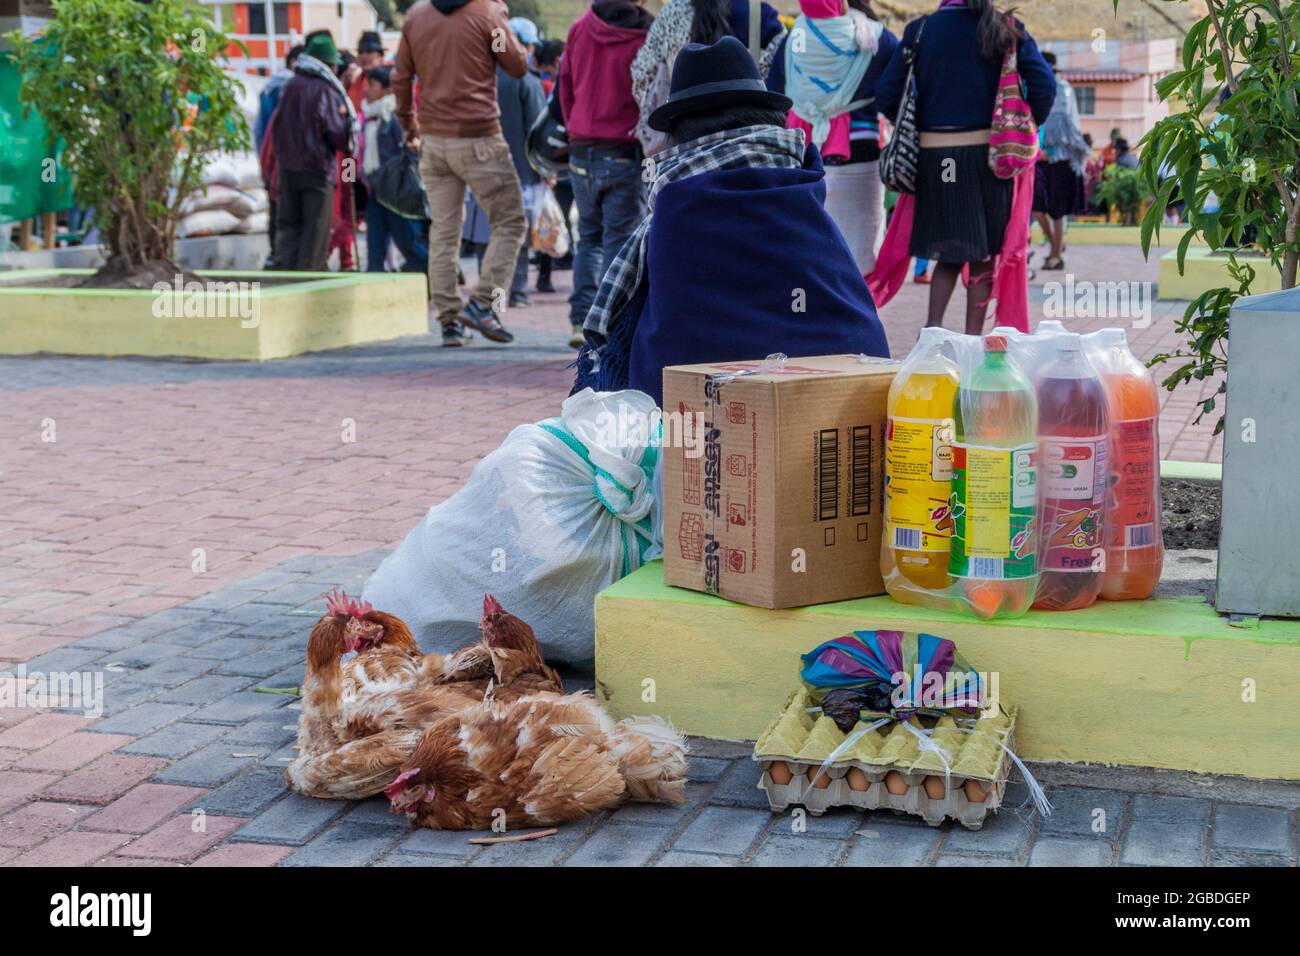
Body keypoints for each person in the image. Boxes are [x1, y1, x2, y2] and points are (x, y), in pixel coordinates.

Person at [572, 36, 889, 404]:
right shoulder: (799, 184)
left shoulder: (676, 207)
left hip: (693, 422)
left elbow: (661, 342)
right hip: (850, 400)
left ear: (680, 131)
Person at [875, 0, 1054, 334]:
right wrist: (1022, 125)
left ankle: (932, 332)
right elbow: (1045, 86)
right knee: (983, 254)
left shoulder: (921, 30)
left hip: (936, 160)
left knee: (948, 251)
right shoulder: (1006, 27)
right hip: (989, 160)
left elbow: (886, 94)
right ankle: (973, 342)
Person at [393, 0, 530, 347]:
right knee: (511, 222)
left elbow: (400, 76)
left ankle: (450, 322)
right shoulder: (487, 11)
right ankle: (484, 303)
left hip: (435, 141)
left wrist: (409, 124)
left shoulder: (416, 15)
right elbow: (517, 66)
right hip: (479, 138)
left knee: (444, 231)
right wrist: (500, 20)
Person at [767, 0, 897, 275]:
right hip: (860, 149)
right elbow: (894, 89)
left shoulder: (793, 38)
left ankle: (814, 312)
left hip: (802, 155)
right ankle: (859, 312)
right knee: (860, 250)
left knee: (810, 247)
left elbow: (774, 93)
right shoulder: (874, 37)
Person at [559, 0, 655, 348]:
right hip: (622, 151)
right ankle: (605, 323)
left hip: (582, 148)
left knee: (589, 237)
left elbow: (565, 88)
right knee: (618, 238)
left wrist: (575, 129)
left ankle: (580, 318)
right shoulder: (645, 33)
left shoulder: (580, 27)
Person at [271, 32, 356, 272]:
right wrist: (347, 127)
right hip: (317, 171)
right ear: (329, 65)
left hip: (288, 168)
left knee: (289, 226)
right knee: (315, 229)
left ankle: (285, 275)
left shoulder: (289, 86)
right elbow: (337, 135)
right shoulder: (325, 91)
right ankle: (309, 280)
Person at [632, 0, 786, 122]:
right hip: (748, 133)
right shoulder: (761, 16)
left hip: (684, 133)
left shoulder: (671, 14)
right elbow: (783, 77)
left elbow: (642, 75)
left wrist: (666, 114)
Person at [360, 66, 430, 275]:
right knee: (375, 247)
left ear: (387, 89)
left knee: (408, 243)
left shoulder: (396, 116)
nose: (366, 90)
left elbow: (410, 153)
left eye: (371, 85)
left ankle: (441, 275)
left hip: (397, 194)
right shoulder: (368, 117)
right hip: (376, 191)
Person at [499, 17, 548, 308]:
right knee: (516, 230)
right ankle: (516, 290)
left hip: (485, 167)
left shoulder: (481, 76)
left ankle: (493, 292)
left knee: (490, 232)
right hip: (523, 171)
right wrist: (546, 169)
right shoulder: (527, 81)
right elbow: (539, 129)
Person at [1031, 50, 1089, 270]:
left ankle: (1056, 256)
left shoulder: (1062, 90)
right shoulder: (1036, 89)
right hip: (1038, 157)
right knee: (1036, 207)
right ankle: (1057, 246)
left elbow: (1069, 129)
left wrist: (1052, 153)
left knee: (1057, 209)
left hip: (1060, 159)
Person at [532, 39, 574, 299]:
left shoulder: (558, 85)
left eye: (550, 70)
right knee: (555, 221)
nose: (550, 75)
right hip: (570, 166)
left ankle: (549, 274)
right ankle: (549, 273)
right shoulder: (555, 85)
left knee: (555, 221)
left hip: (564, 165)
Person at [256, 43, 304, 269]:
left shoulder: (271, 89)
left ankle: (278, 256)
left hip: (277, 162)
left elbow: (261, 133)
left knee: (279, 212)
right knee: (289, 214)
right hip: (296, 164)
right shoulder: (291, 89)